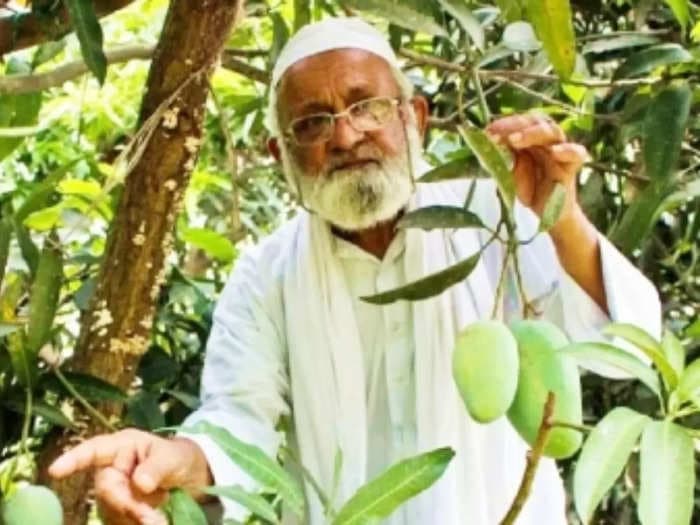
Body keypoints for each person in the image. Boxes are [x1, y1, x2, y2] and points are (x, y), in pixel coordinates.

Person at [48, 17, 661, 525]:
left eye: (367, 106)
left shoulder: (488, 216)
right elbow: (239, 423)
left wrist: (560, 216)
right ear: (280, 157)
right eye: (312, 122)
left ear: (415, 119)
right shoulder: (264, 278)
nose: (345, 135)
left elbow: (621, 341)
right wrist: (177, 458)